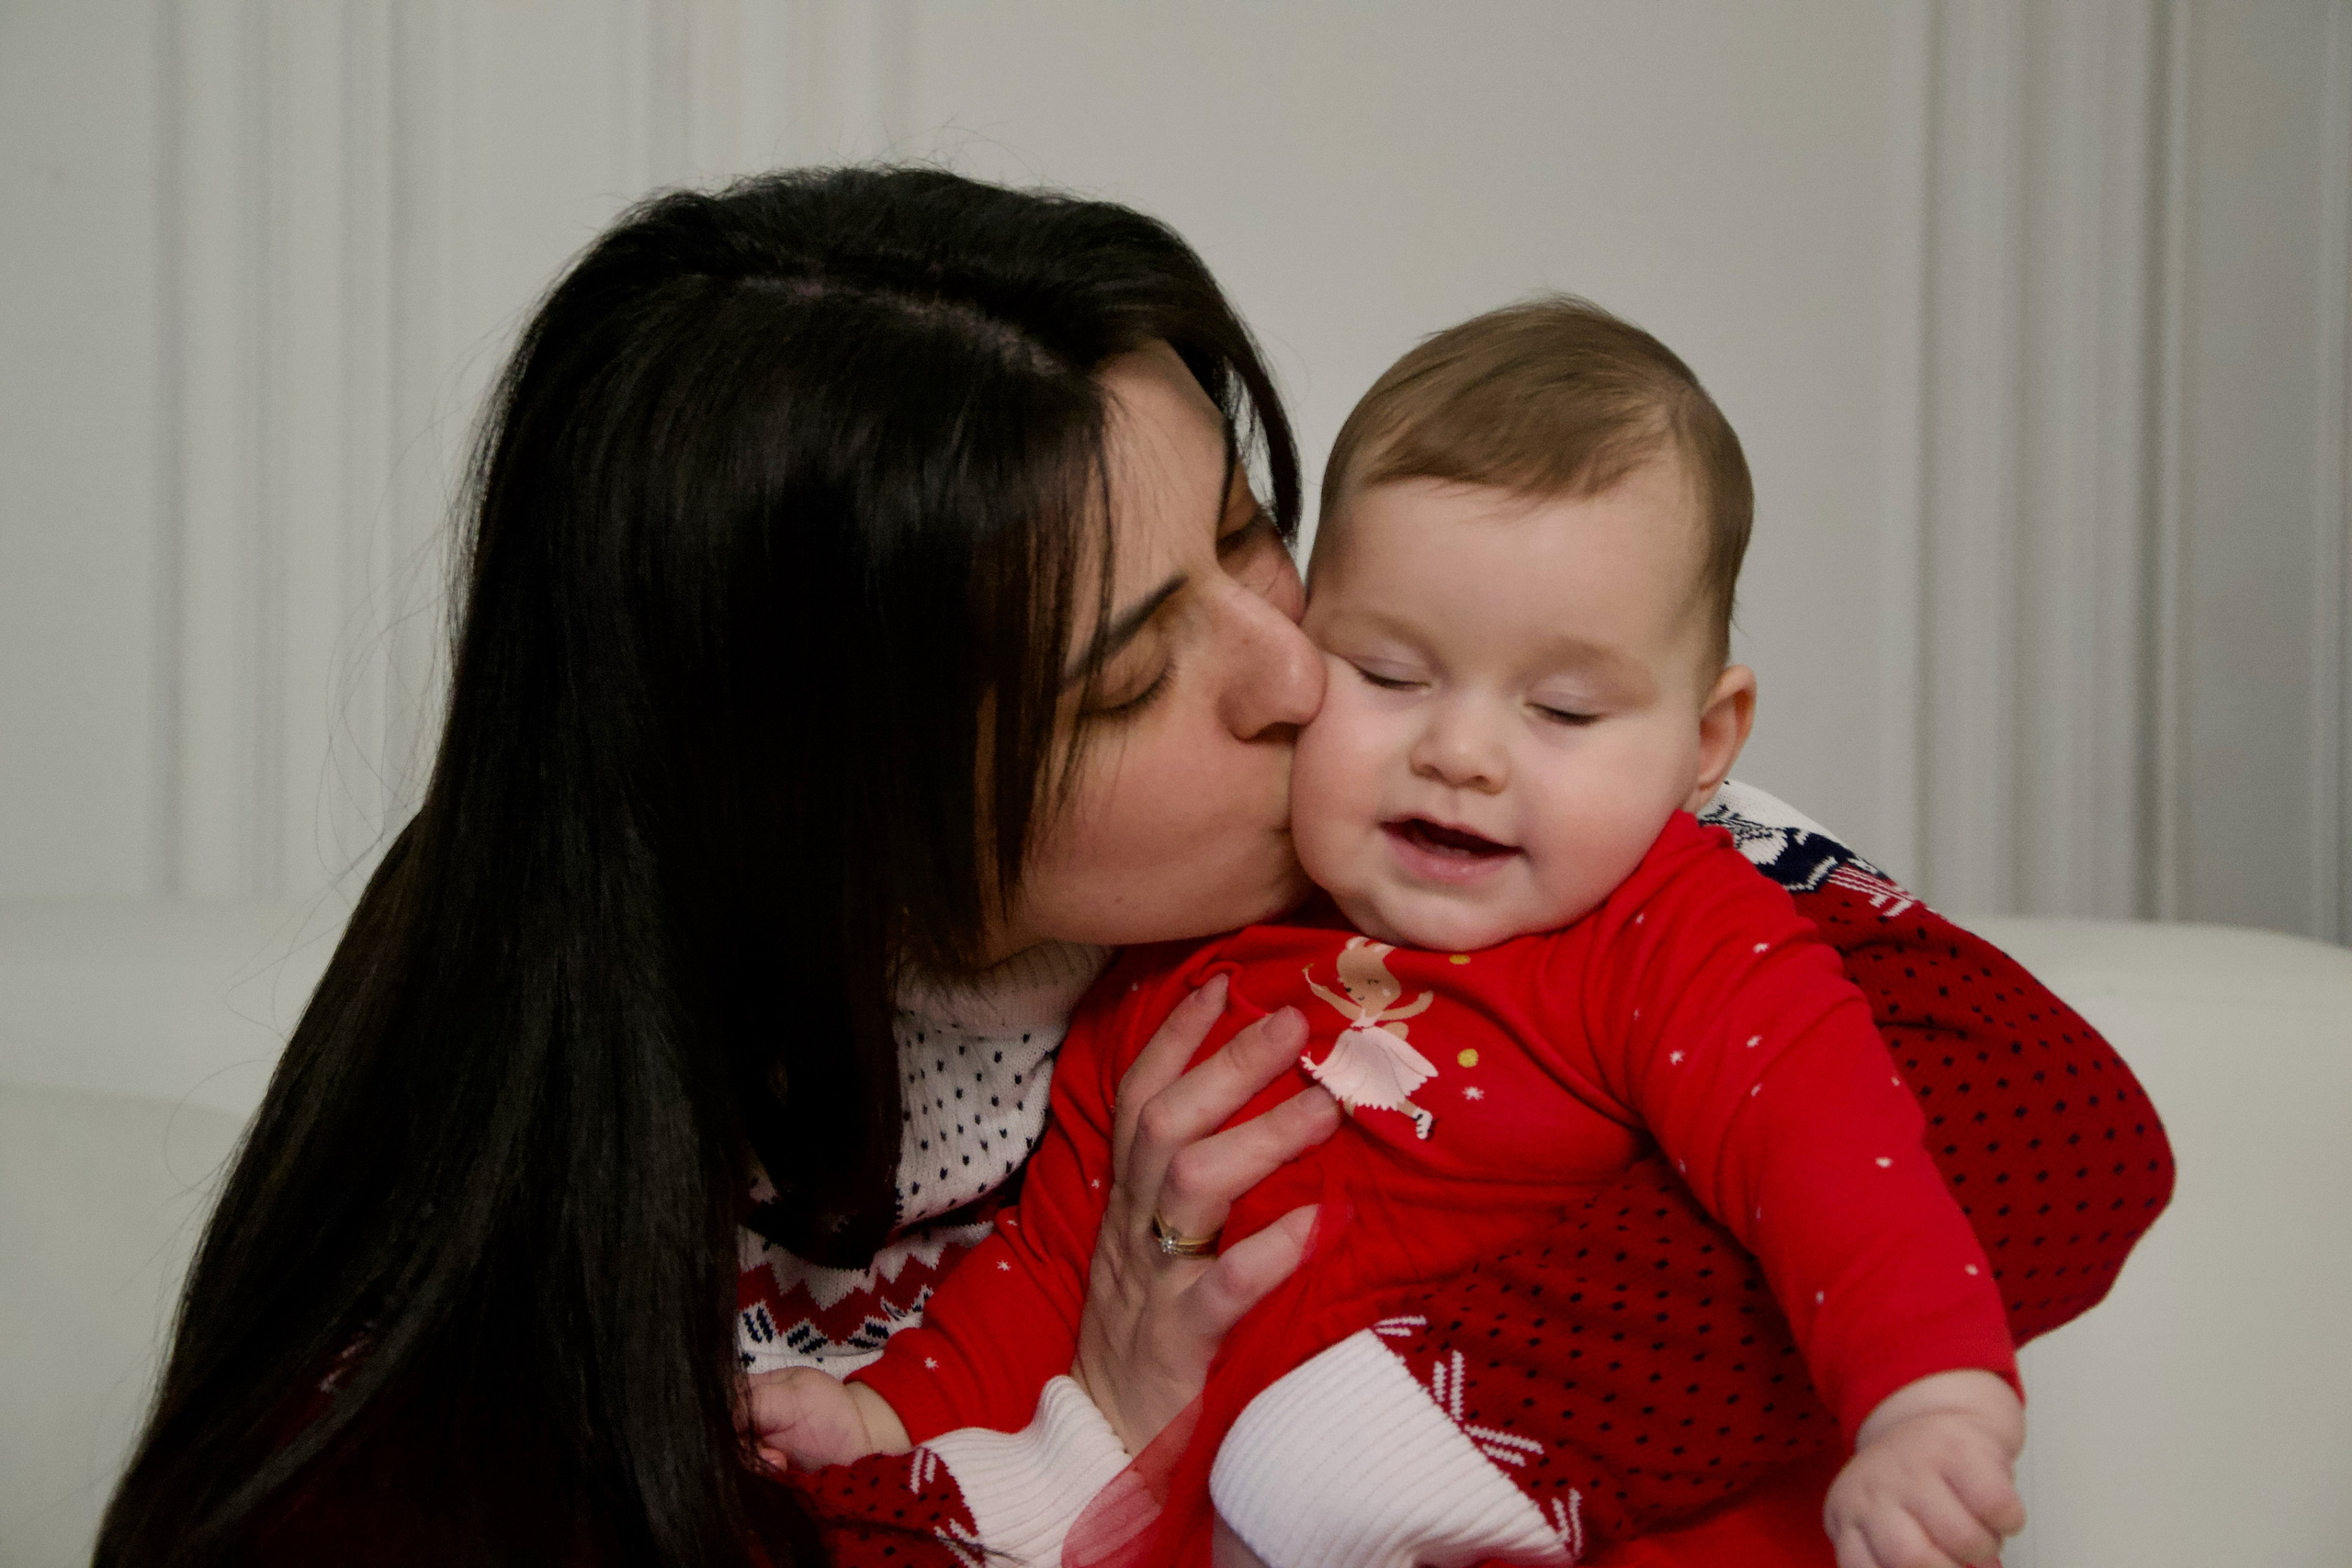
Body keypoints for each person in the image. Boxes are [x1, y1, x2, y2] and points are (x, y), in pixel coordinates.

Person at [93, 169, 2171, 1568]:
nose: (1302, 673)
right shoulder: (532, 1128)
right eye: (1135, 669)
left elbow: (2049, 1128)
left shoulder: (1478, 823)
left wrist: (1396, 1427)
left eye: (1254, 534)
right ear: (849, 812)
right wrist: (1088, 1418)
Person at [753, 299, 2034, 1568]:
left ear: (1704, 744)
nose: (1460, 753)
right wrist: (889, 1417)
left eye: (1562, 711)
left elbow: (1836, 1162)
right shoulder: (1177, 958)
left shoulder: (1671, 931)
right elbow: (1056, 1270)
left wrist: (1926, 1400)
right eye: (1389, 675)